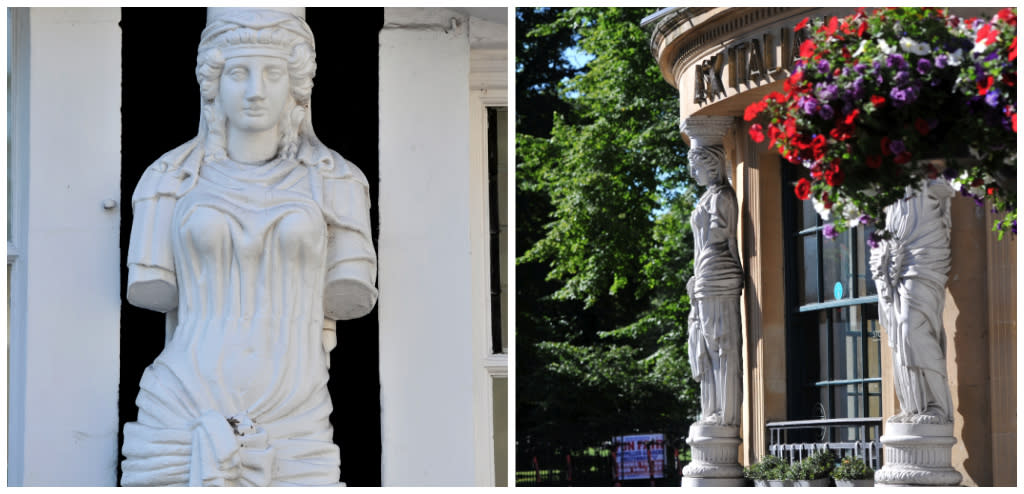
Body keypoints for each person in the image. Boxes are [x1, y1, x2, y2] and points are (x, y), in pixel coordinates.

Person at [120, 8, 376, 486]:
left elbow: (350, 292)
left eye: (273, 72)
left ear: (297, 85)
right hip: (182, 395)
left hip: (296, 401)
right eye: (239, 72)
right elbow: (152, 288)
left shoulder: (337, 181)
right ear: (213, 84)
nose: (256, 89)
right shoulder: (168, 181)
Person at [870, 179, 954, 425]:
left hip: (925, 239)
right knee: (898, 332)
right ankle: (915, 406)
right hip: (894, 234)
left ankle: (939, 406)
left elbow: (950, 183)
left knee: (910, 328)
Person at [686, 144, 743, 427]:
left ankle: (726, 413)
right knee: (709, 346)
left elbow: (722, 237)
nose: (691, 172)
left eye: (696, 166)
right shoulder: (710, 196)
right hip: (706, 275)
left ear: (711, 166)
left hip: (718, 274)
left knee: (722, 345)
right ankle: (714, 409)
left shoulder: (721, 196)